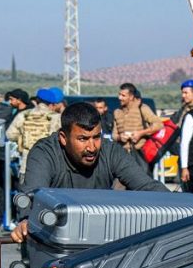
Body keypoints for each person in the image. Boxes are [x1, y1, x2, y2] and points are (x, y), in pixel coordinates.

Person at [10, 102, 168, 243]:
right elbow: (33, 195)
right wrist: (25, 220)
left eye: (96, 137)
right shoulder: (44, 152)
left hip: (99, 237)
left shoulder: (111, 151)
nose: (92, 147)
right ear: (63, 138)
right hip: (55, 238)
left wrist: (183, 206)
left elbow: (147, 186)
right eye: (83, 139)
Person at [6, 87, 57, 176]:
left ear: (37, 100)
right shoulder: (56, 118)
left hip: (26, 165)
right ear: (51, 104)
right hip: (49, 166)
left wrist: (22, 137)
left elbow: (10, 134)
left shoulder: (23, 115)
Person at [112, 82, 162, 172]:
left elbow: (159, 125)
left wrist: (140, 133)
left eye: (123, 95)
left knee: (142, 184)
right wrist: (120, 137)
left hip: (140, 155)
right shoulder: (117, 112)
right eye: (119, 95)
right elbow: (114, 135)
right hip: (122, 156)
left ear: (131, 97)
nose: (119, 98)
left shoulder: (142, 108)